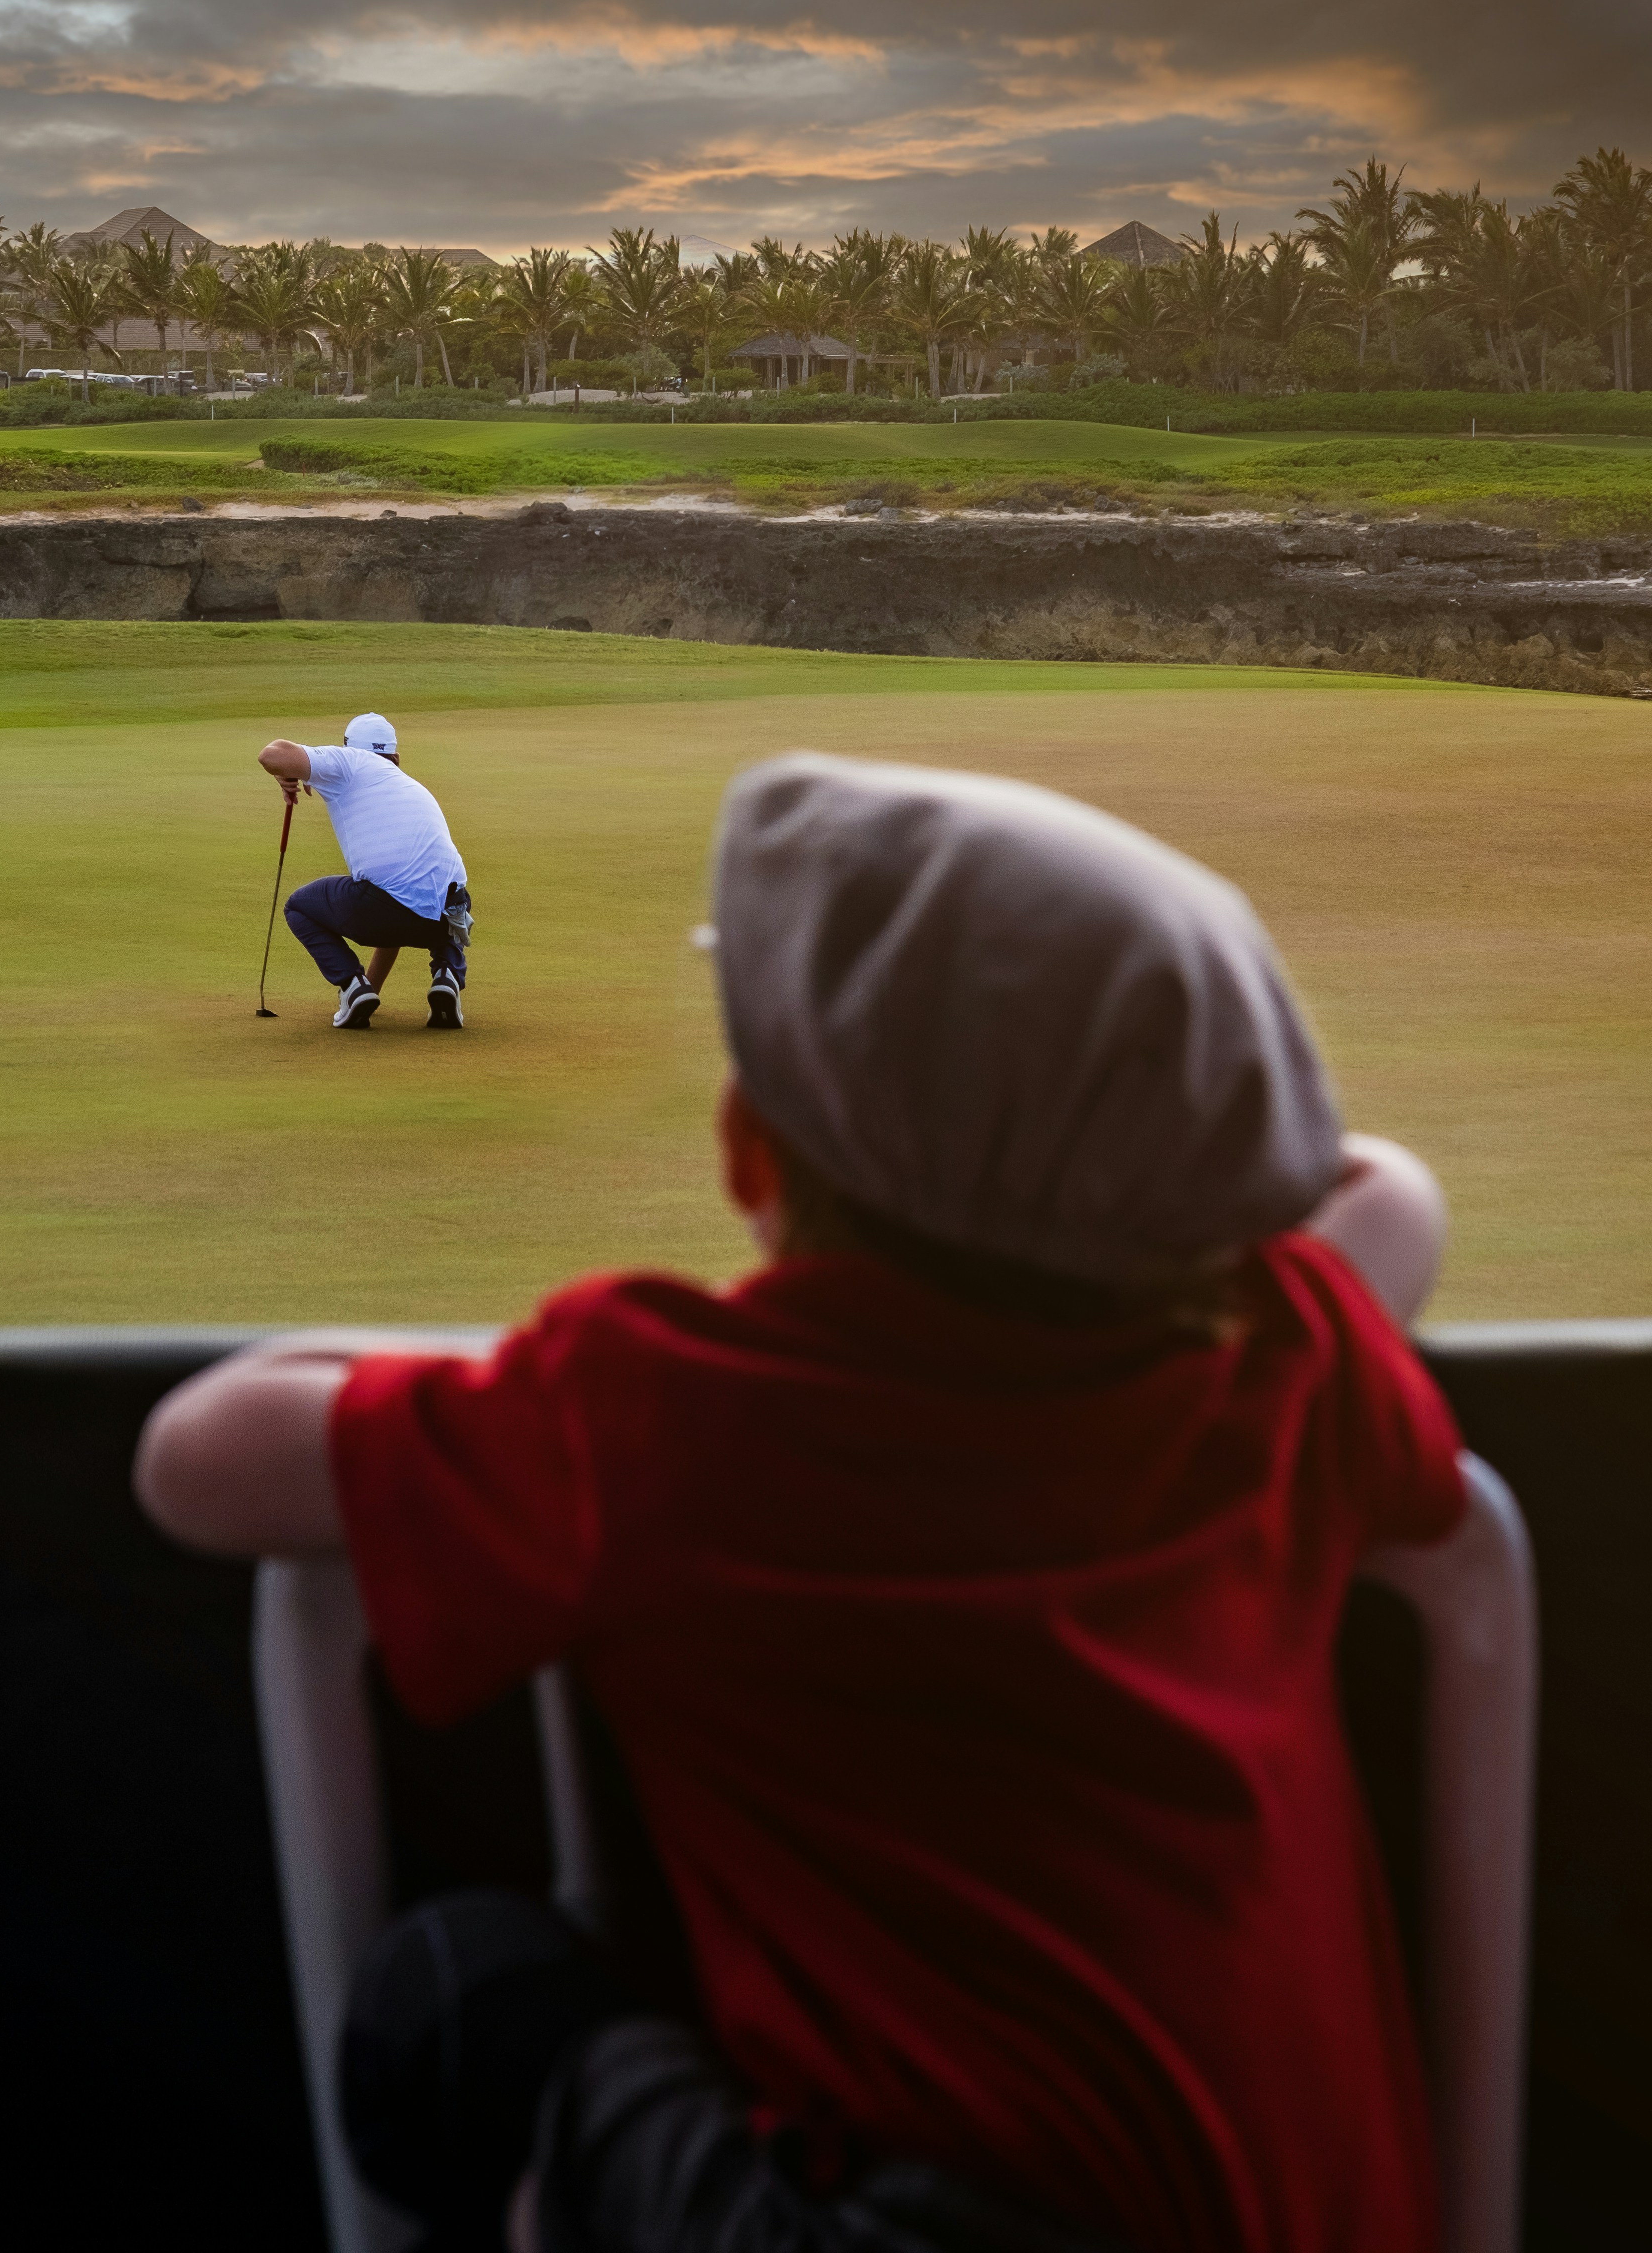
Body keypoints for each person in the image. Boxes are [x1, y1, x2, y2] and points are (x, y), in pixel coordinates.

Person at [137, 757, 1459, 2253]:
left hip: (905, 2228)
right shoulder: (1272, 1360)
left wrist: (543, 1378)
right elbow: (1389, 1198)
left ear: (745, 1151)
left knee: (456, 1999)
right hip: (1325, 2219)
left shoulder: (656, 1409)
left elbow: (198, 1456)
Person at [261, 710, 472, 1031]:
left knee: (300, 906)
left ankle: (349, 984)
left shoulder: (348, 762)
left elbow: (272, 754)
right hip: (449, 912)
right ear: (396, 758)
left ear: (347, 748)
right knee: (434, 897)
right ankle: (447, 976)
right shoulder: (412, 786)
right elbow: (399, 912)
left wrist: (286, 773)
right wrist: (371, 989)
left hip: (386, 907)